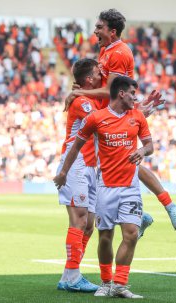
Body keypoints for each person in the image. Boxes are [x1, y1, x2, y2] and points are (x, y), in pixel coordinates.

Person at [65, 9, 176, 234]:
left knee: (127, 163)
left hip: (112, 117)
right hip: (108, 116)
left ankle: (166, 206)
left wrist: (81, 95)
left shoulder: (118, 53)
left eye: (99, 27)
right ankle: (145, 214)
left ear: (112, 31)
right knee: (112, 169)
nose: (95, 31)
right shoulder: (107, 51)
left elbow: (112, 91)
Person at [55, 76, 153, 298]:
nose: (135, 98)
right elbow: (76, 145)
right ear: (121, 93)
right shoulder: (97, 118)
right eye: (132, 93)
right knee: (105, 237)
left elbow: (150, 145)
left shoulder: (137, 117)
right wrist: (63, 172)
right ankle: (106, 282)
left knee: (131, 233)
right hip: (105, 186)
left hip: (130, 186)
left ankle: (120, 284)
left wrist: (142, 151)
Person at [56, 58, 102, 292]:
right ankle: (73, 276)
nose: (102, 74)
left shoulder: (89, 99)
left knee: (89, 224)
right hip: (76, 164)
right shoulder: (82, 102)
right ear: (88, 79)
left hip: (90, 166)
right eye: (98, 72)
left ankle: (68, 275)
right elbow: (100, 123)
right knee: (80, 219)